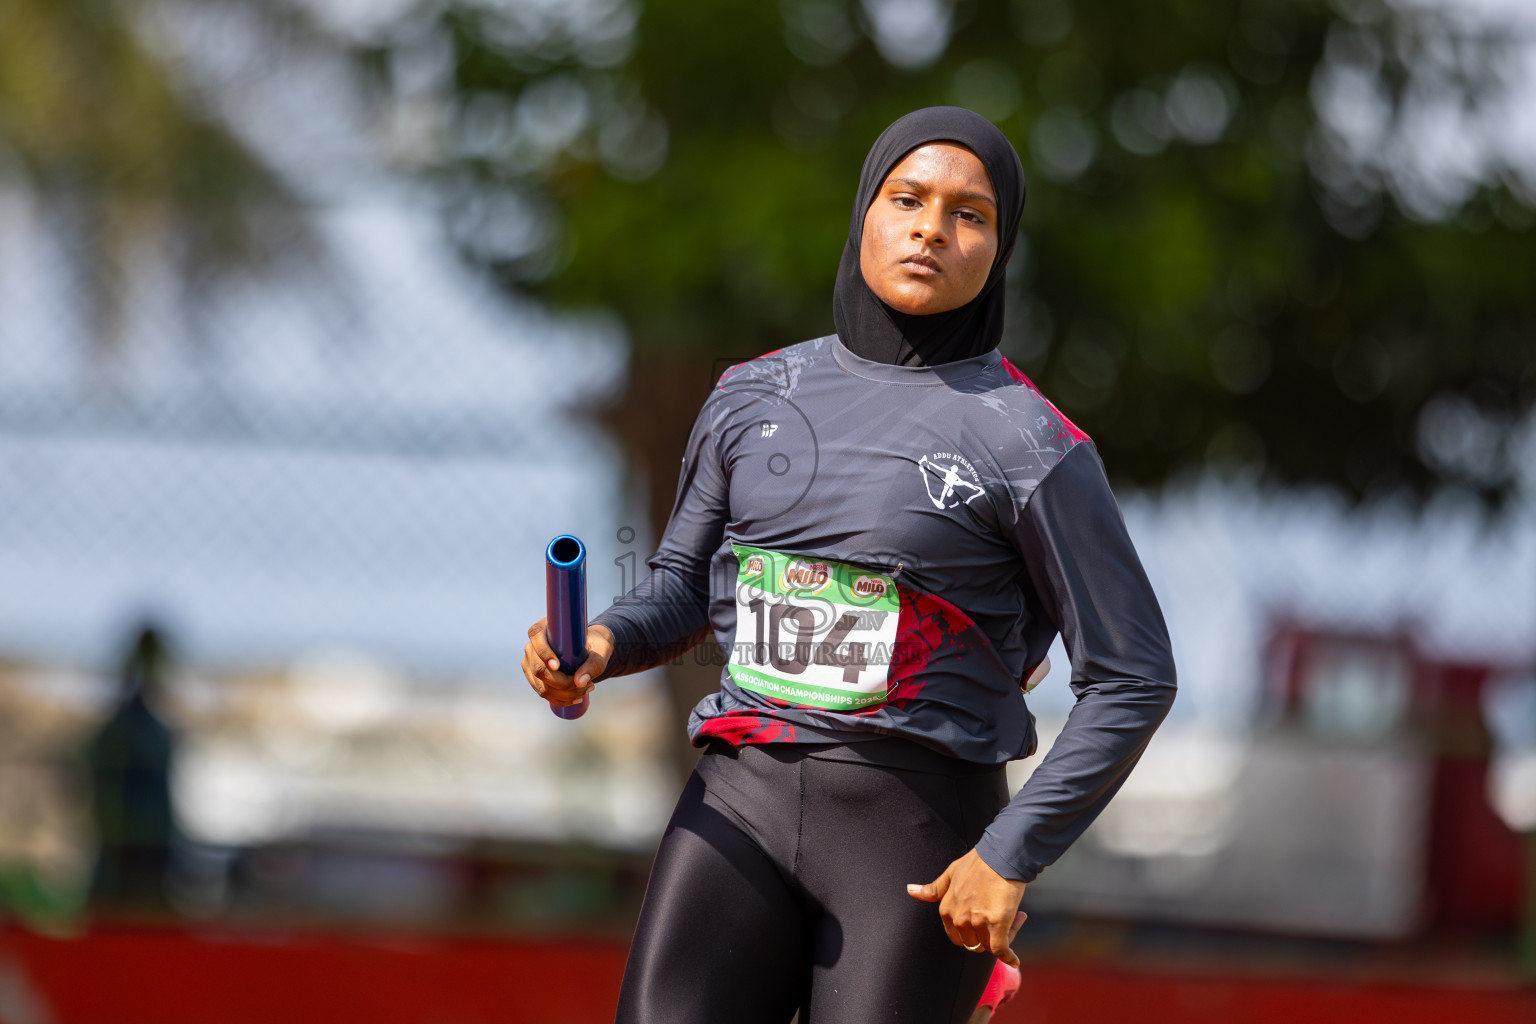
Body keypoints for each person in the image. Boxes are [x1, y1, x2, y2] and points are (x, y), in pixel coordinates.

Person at [522, 106, 1176, 1024]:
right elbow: (682, 589)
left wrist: (1010, 854)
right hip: (734, 806)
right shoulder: (751, 396)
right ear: (864, 211)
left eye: (969, 214)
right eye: (906, 199)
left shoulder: (1034, 444)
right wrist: (596, 641)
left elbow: (1133, 676)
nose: (930, 229)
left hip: (916, 843)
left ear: (1000, 247)